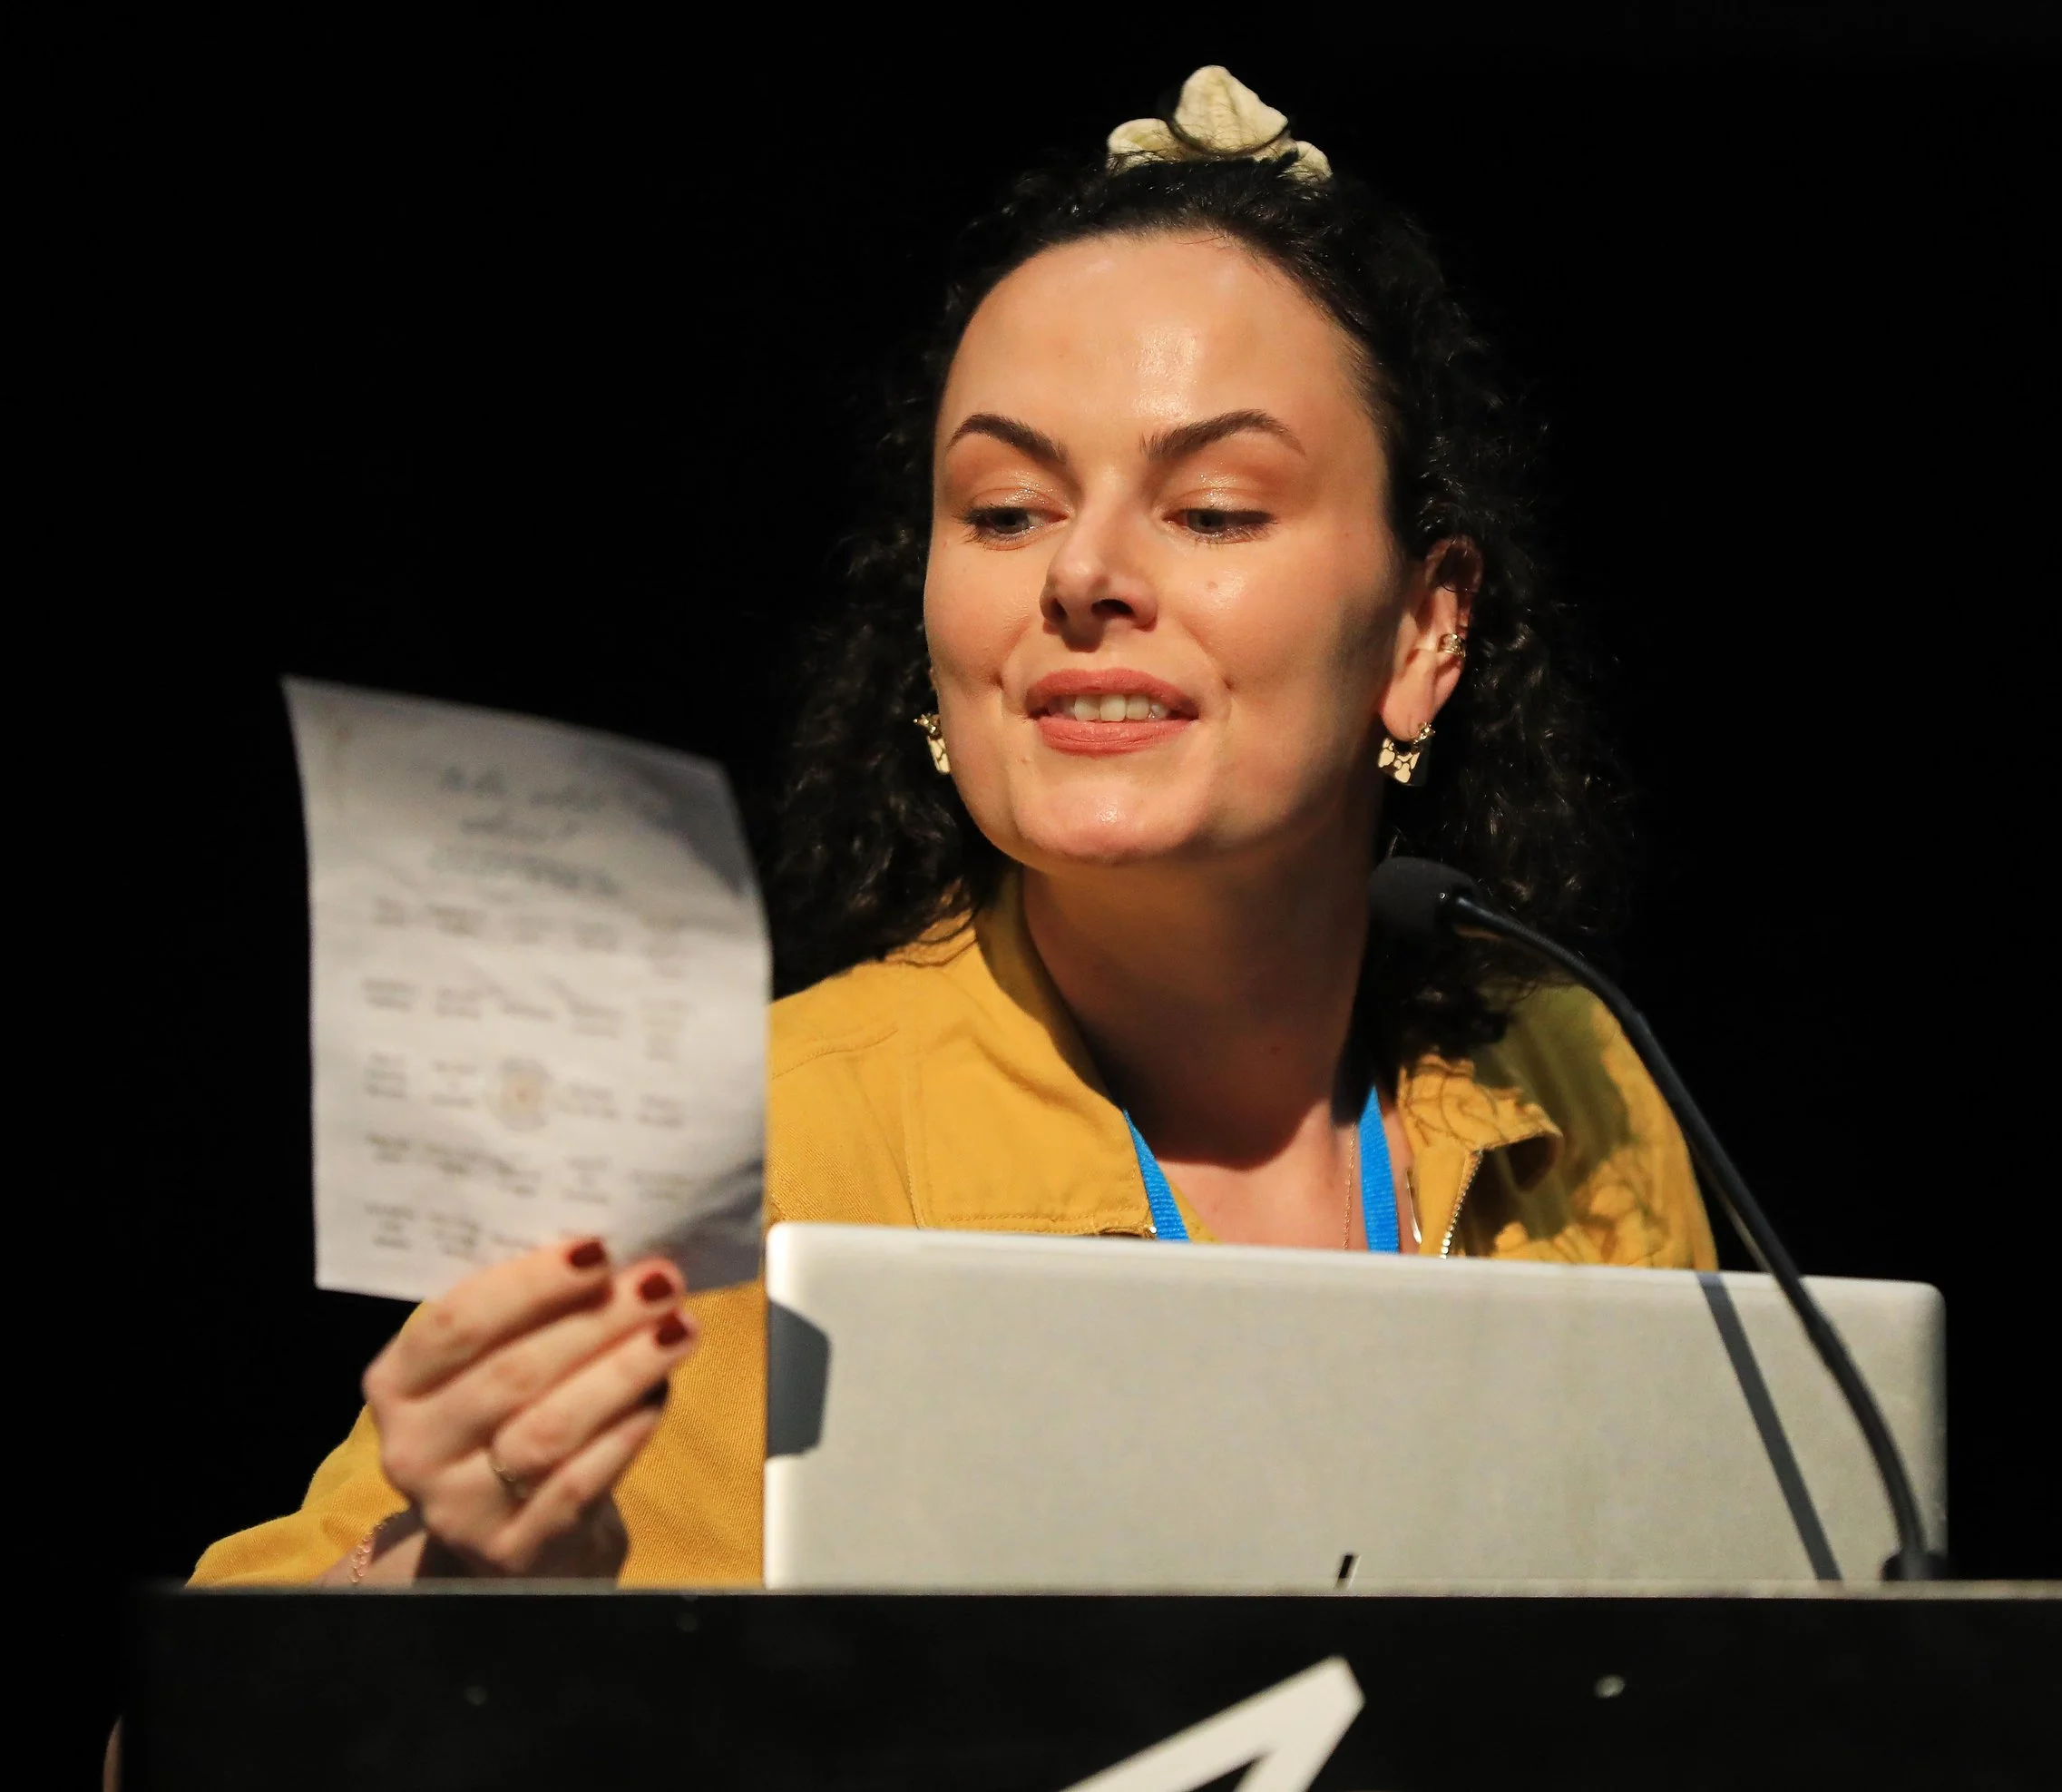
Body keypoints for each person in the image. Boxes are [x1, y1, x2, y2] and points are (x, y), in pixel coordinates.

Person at [191, 67, 1715, 1591]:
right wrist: (450, 1588)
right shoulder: (741, 1163)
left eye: (1214, 508)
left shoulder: (1568, 1071)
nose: (1082, 575)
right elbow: (197, 1702)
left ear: (1426, 632)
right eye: (1004, 510)